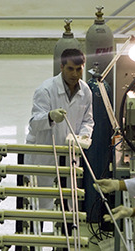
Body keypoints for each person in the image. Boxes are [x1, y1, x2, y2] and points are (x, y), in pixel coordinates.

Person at [24, 48, 94, 210]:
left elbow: (88, 120)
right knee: (40, 208)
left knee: (68, 206)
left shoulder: (85, 91)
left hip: (70, 155)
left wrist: (83, 136)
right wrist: (49, 116)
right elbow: (34, 123)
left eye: (79, 69)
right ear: (61, 67)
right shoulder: (46, 90)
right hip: (45, 157)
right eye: (70, 69)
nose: (75, 74)